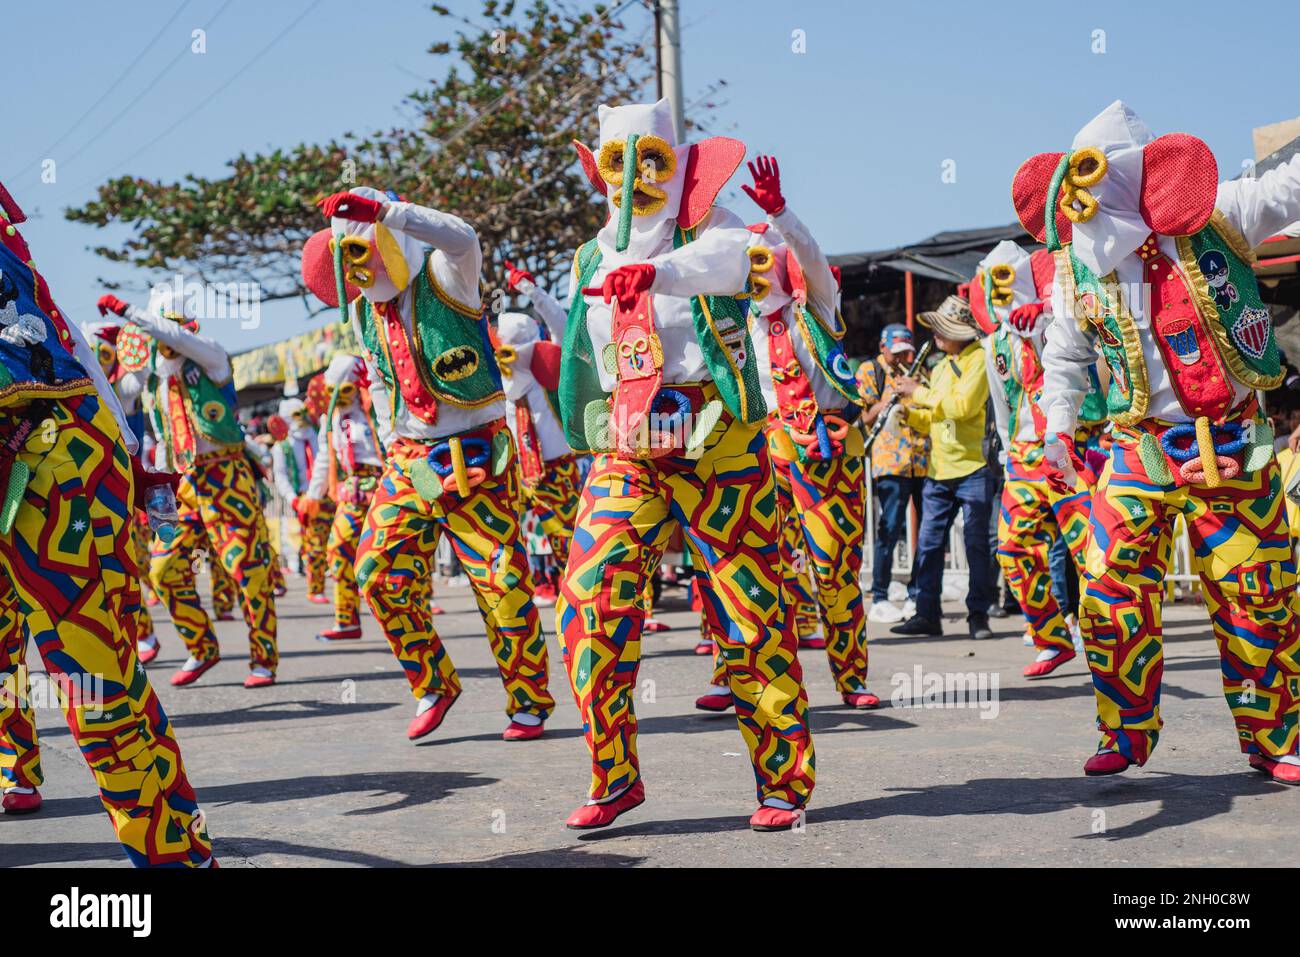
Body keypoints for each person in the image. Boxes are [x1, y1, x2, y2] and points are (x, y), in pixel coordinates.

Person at [554, 99, 815, 832]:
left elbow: (735, 264)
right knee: (587, 600)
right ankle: (614, 776)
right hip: (626, 441)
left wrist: (656, 271)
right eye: (617, 163)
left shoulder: (715, 226)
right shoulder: (588, 254)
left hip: (718, 439)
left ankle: (783, 781)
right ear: (599, 170)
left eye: (651, 162)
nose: (634, 178)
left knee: (749, 614)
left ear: (678, 167)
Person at [1020, 99, 1300, 781]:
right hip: (1134, 447)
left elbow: (1287, 187)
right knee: (1108, 587)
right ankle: (1124, 731)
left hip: (1233, 442)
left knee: (1256, 592)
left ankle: (1275, 738)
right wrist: (1057, 429)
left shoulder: (1219, 209)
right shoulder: (1079, 260)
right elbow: (1063, 354)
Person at [0, 181, 214, 864]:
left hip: (39, 455)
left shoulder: (203, 362)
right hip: (66, 449)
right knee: (91, 660)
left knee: (95, 663)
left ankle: (169, 848)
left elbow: (74, 352)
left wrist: (128, 457)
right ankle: (170, 834)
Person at [302, 186, 554, 743]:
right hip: (409, 461)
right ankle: (433, 681)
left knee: (502, 584)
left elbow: (463, 236)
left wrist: (389, 213)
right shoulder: (365, 313)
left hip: (478, 454)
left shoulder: (447, 273)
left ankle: (529, 699)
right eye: (346, 257)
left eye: (362, 249)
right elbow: (385, 391)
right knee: (374, 573)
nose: (356, 267)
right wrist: (395, 447)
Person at [693, 155, 877, 712]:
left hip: (825, 448)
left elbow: (813, 258)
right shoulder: (733, 320)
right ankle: (734, 674)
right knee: (744, 565)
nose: (752, 275)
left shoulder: (815, 308)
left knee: (834, 567)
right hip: (757, 445)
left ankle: (851, 679)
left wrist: (780, 213)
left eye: (759, 261)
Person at [98, 285, 280, 690]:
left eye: (171, 331)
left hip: (227, 476)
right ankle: (202, 646)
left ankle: (263, 659)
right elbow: (118, 397)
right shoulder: (154, 383)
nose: (166, 342)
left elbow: (178, 338)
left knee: (247, 570)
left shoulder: (211, 357)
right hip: (183, 483)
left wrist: (131, 311)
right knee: (163, 570)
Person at [970, 240, 1108, 677]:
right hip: (1025, 456)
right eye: (994, 285)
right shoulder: (995, 346)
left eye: (1009, 281)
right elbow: (1002, 403)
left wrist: (1047, 318)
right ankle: (1051, 638)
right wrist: (1012, 456)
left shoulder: (1063, 323)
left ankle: (1106, 637)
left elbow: (1096, 358)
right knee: (1012, 549)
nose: (1003, 294)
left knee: (1091, 550)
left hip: (1074, 446)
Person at [890, 294, 996, 639]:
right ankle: (927, 613)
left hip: (974, 467)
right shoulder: (937, 368)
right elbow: (936, 417)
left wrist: (917, 393)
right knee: (929, 544)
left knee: (977, 544)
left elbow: (963, 406)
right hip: (939, 470)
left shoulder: (979, 359)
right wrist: (908, 414)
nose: (935, 335)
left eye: (941, 329)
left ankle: (978, 614)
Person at [494, 270, 582, 608]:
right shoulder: (497, 379)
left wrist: (532, 290)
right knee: (514, 536)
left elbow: (563, 326)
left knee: (567, 536)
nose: (507, 354)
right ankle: (531, 590)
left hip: (554, 464)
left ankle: (576, 593)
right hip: (514, 467)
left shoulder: (550, 369)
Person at [303, 354, 386, 641]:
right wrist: (312, 496)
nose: (338, 397)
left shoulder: (378, 405)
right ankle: (347, 620)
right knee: (338, 548)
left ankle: (415, 614)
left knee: (395, 554)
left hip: (385, 483)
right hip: (351, 488)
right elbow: (325, 458)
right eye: (331, 391)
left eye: (345, 390)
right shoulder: (330, 418)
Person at [858, 323, 929, 623]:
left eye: (906, 352)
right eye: (897, 352)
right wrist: (892, 398)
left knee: (926, 530)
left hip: (922, 460)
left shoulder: (918, 372)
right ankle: (880, 594)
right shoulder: (870, 370)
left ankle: (918, 592)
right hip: (890, 461)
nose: (902, 358)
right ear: (884, 347)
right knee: (889, 527)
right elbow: (864, 415)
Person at [271, 396, 332, 604]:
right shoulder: (282, 447)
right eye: (296, 415)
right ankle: (316, 588)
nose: (302, 419)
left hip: (330, 493)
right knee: (314, 545)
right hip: (306, 498)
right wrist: (293, 499)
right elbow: (280, 476)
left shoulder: (319, 435)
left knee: (341, 543)